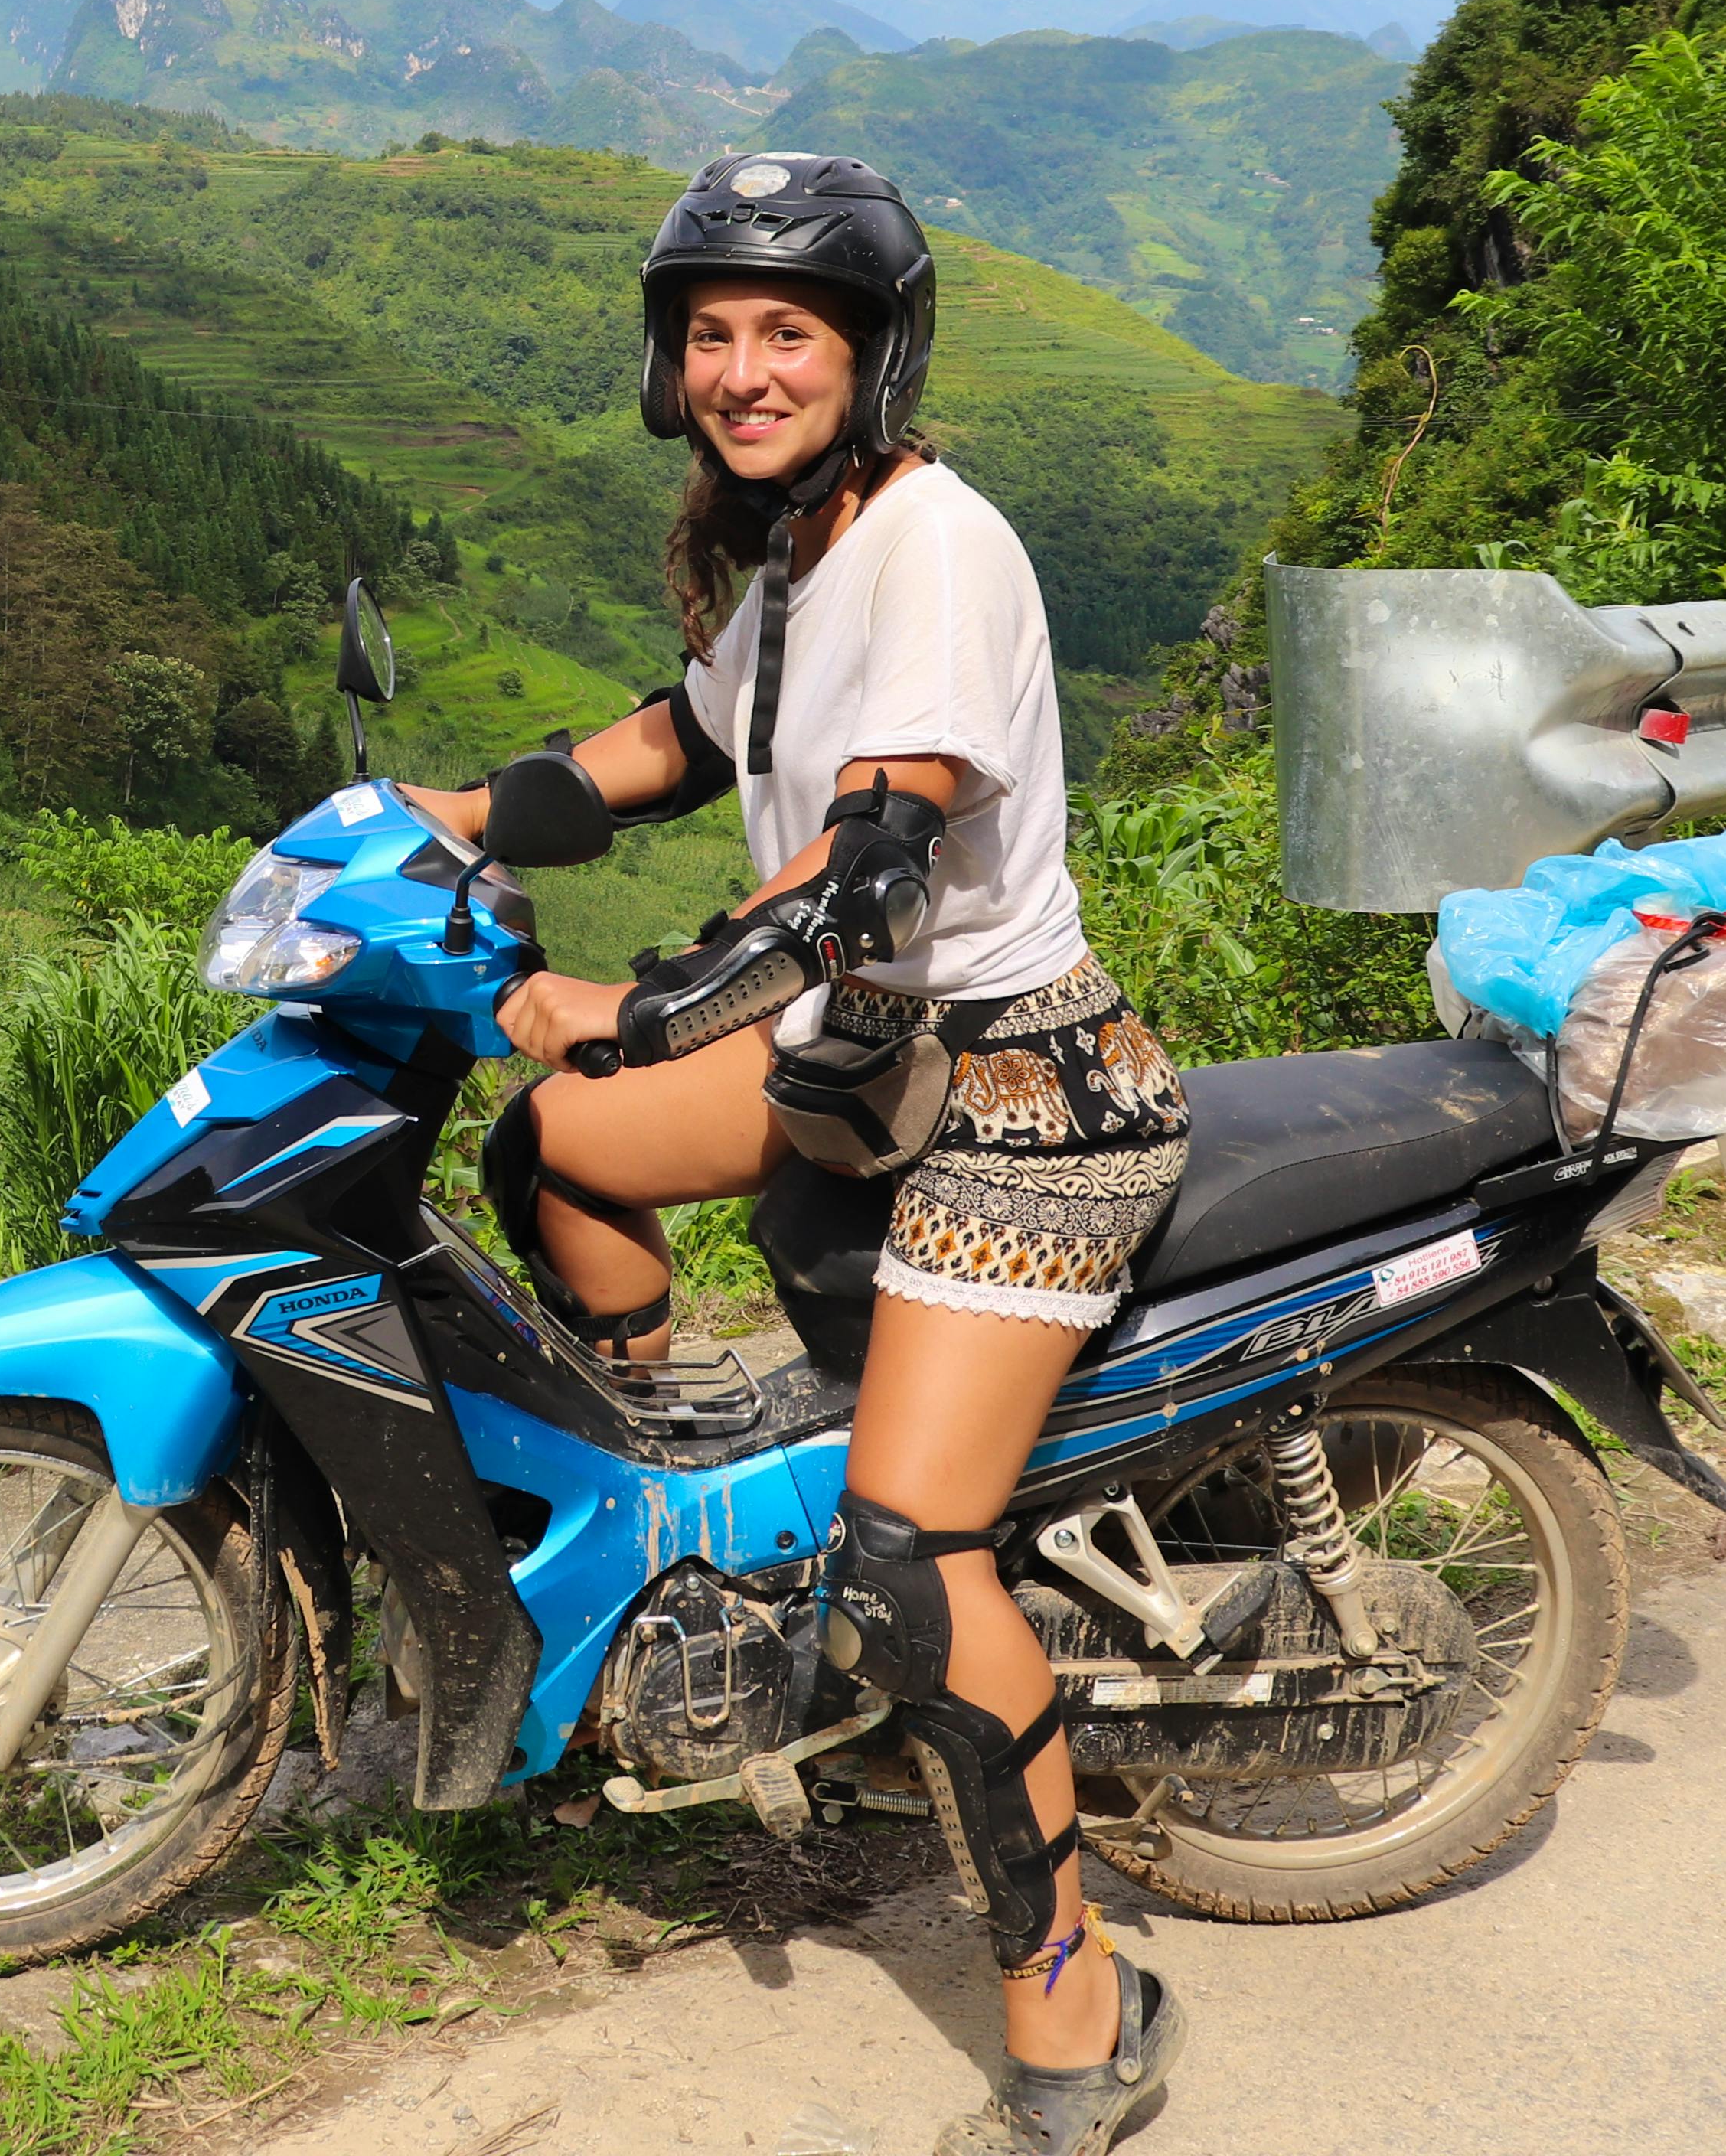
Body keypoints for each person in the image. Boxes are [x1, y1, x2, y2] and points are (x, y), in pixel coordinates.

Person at [400, 151, 1189, 2156]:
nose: (743, 369)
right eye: (714, 335)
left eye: (786, 335)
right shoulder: (794, 562)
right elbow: (660, 751)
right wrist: (435, 818)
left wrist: (654, 1000)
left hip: (1013, 1096)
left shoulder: (935, 552)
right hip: (862, 1066)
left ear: (866, 356)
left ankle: (1076, 1995)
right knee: (551, 1152)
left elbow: (878, 843)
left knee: (916, 1557)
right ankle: (672, 1603)